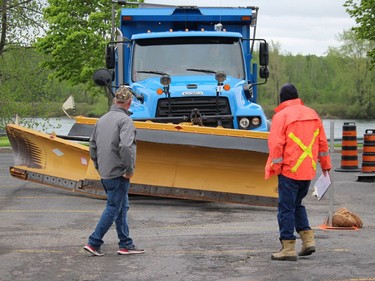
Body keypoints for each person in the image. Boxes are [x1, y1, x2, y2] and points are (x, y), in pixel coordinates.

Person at [265, 83, 331, 261]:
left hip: (289, 170)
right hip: (307, 170)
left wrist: (277, 168)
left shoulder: (281, 116)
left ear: (281, 99)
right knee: (297, 204)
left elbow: (276, 144)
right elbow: (322, 144)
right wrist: (325, 166)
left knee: (285, 208)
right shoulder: (313, 114)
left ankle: (287, 247)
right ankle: (308, 241)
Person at [83, 85, 145, 256]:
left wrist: (97, 165)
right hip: (119, 173)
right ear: (129, 103)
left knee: (121, 207)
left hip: (105, 172)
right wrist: (129, 169)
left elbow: (92, 145)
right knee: (113, 207)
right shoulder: (125, 121)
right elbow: (126, 146)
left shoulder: (101, 119)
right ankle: (94, 242)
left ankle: (125, 244)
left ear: (114, 101)